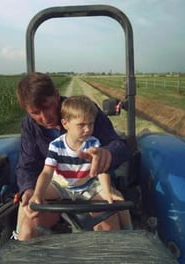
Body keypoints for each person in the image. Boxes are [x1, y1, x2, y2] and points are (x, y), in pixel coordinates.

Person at [15, 72, 131, 241]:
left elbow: (119, 145)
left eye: (47, 107)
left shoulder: (83, 112)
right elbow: (27, 164)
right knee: (28, 228)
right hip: (57, 187)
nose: (44, 117)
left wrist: (108, 154)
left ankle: (128, 240)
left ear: (56, 94)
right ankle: (17, 242)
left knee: (109, 228)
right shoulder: (29, 125)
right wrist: (29, 190)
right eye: (35, 112)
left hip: (91, 184)